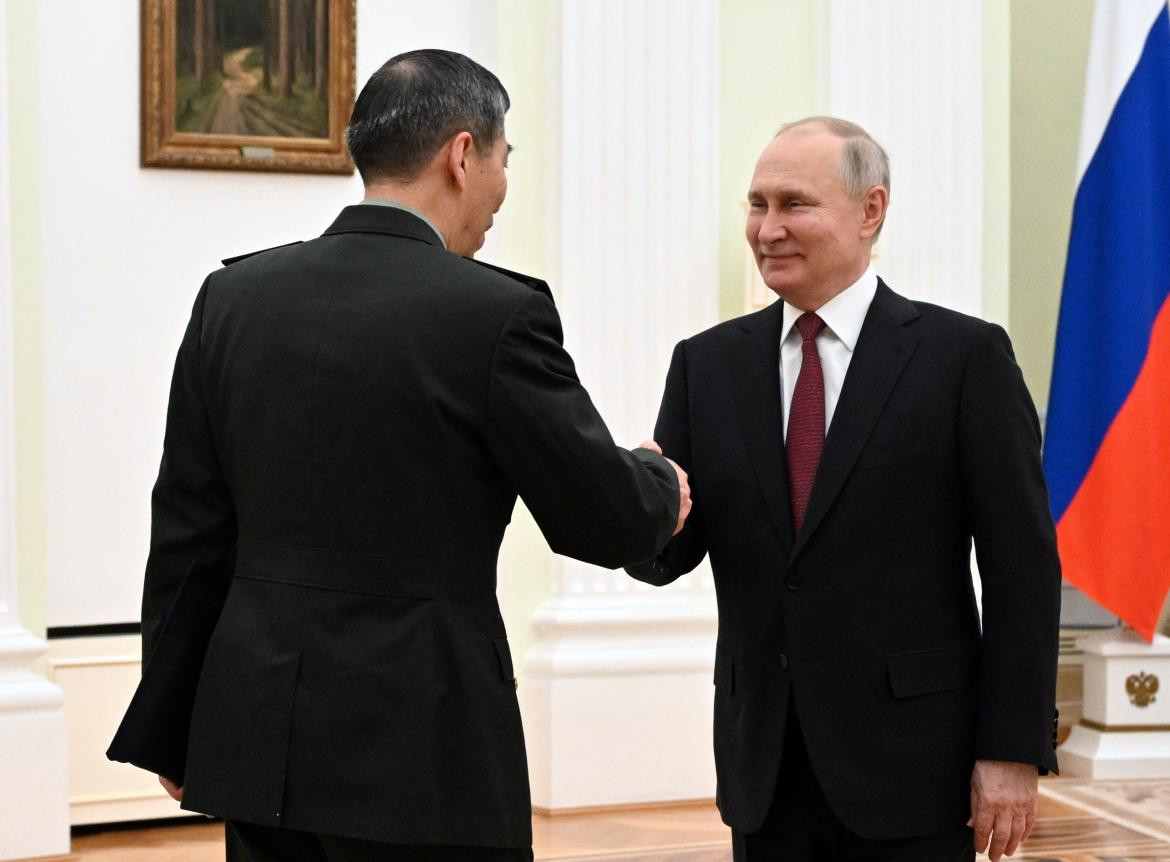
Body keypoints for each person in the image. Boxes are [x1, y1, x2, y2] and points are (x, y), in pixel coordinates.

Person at [138, 49, 689, 861]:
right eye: (506, 159)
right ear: (463, 155)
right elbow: (604, 519)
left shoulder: (233, 296)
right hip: (421, 745)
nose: (503, 188)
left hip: (259, 732)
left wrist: (175, 715)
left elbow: (187, 528)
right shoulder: (496, 314)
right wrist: (658, 482)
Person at [627, 117, 1061, 862]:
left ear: (871, 210)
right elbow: (668, 555)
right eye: (756, 206)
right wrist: (631, 496)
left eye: (794, 204)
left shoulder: (964, 360)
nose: (767, 230)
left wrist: (1011, 750)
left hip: (916, 769)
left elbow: (1022, 567)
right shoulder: (706, 366)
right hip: (764, 766)